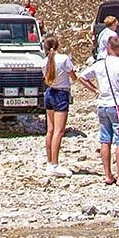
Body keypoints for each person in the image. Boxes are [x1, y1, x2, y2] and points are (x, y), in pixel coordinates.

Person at [78, 35, 119, 187]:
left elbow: (82, 77)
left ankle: (107, 175)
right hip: (118, 105)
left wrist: (95, 90)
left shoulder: (99, 64)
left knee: (105, 140)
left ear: (107, 48)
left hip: (102, 104)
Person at [42, 36, 76, 176]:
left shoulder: (44, 62)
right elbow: (73, 76)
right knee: (59, 131)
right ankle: (55, 164)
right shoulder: (63, 59)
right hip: (61, 94)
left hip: (49, 93)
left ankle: (50, 162)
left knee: (50, 130)